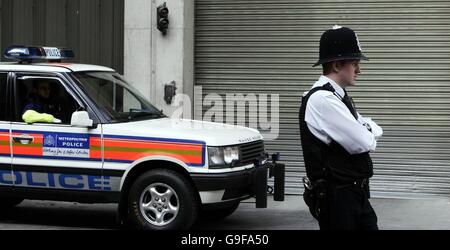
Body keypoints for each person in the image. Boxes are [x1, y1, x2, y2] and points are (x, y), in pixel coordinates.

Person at [299, 25, 383, 230]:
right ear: (337, 65)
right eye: (355, 64)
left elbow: (374, 128)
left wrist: (366, 128)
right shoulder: (323, 99)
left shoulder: (336, 96)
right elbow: (364, 142)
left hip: (353, 196)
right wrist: (366, 129)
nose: (360, 70)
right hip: (339, 199)